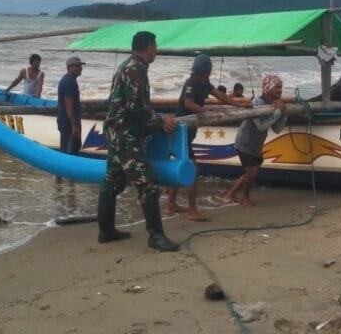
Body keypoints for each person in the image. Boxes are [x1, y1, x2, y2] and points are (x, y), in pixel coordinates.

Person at [97, 31, 179, 252]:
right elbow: (136, 106)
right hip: (125, 135)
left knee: (112, 181)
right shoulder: (135, 69)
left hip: (116, 132)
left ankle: (106, 231)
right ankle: (156, 236)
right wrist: (161, 121)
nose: (157, 50)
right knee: (147, 182)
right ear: (148, 47)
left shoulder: (128, 65)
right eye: (155, 46)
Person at [166, 54, 245, 221]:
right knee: (192, 169)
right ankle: (192, 211)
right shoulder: (192, 82)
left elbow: (219, 95)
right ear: (207, 70)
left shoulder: (204, 82)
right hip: (181, 131)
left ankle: (172, 203)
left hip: (188, 132)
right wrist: (209, 111)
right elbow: (188, 104)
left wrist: (238, 104)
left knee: (180, 164)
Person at [221, 74, 287, 207]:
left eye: (281, 87)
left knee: (250, 173)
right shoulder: (258, 102)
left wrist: (283, 115)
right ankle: (244, 198)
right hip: (245, 142)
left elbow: (277, 129)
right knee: (252, 172)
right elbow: (261, 125)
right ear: (268, 88)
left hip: (256, 145)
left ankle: (230, 194)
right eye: (277, 87)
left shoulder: (273, 104)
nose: (280, 90)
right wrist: (278, 112)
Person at [57, 55, 85, 155]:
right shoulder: (68, 81)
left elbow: (72, 101)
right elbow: (68, 105)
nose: (80, 68)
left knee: (73, 148)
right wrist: (74, 126)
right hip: (68, 122)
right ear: (69, 67)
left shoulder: (71, 80)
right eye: (77, 66)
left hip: (68, 121)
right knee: (69, 150)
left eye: (80, 66)